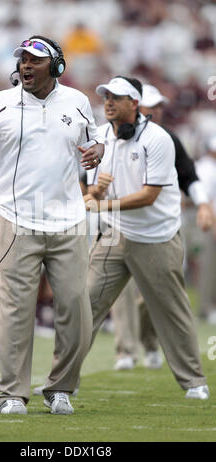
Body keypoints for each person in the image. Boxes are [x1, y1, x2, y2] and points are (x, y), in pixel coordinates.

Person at [0, 35, 104, 415]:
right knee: (16, 310)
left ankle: (60, 387)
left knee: (76, 307)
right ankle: (11, 393)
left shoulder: (77, 101)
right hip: (15, 217)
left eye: (35, 60)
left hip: (69, 218)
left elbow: (95, 140)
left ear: (56, 66)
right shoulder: (0, 103)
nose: (25, 65)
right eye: (22, 59)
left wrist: (98, 151)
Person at [84, 76, 209, 399]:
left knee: (167, 307)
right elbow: (89, 185)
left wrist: (204, 204)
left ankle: (192, 380)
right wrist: (93, 193)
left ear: (136, 105)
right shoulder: (99, 137)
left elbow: (175, 182)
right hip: (113, 231)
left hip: (155, 235)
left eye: (117, 97)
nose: (109, 102)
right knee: (87, 303)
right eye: (107, 97)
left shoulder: (162, 139)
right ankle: (64, 380)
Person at [111, 84, 213, 371]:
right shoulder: (111, 135)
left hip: (157, 229)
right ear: (134, 106)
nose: (156, 111)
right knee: (121, 293)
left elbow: (188, 176)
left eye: (158, 106)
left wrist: (203, 204)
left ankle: (149, 342)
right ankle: (125, 352)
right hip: (119, 225)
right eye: (150, 106)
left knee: (153, 294)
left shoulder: (168, 138)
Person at [195, 135, 216, 324]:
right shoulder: (206, 168)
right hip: (209, 223)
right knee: (208, 266)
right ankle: (206, 307)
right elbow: (206, 201)